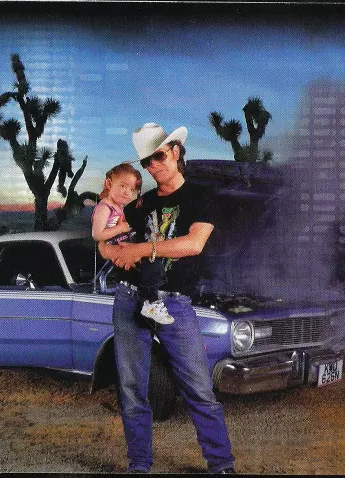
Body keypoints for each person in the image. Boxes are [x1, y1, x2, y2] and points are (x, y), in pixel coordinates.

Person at [98, 122, 236, 474]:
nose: (152, 166)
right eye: (146, 162)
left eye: (158, 156)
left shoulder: (201, 197)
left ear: (175, 151)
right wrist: (115, 253)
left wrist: (139, 249)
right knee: (132, 389)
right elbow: (104, 242)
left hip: (174, 303)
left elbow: (194, 243)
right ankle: (139, 465)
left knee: (199, 389)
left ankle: (221, 465)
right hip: (130, 297)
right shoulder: (141, 203)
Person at [92, 163, 174, 325]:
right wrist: (121, 228)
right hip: (118, 246)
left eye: (131, 190)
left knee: (150, 264)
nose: (126, 192)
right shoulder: (104, 207)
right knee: (149, 264)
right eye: (122, 186)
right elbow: (97, 234)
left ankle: (149, 302)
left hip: (125, 243)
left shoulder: (119, 207)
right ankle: (150, 304)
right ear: (109, 184)